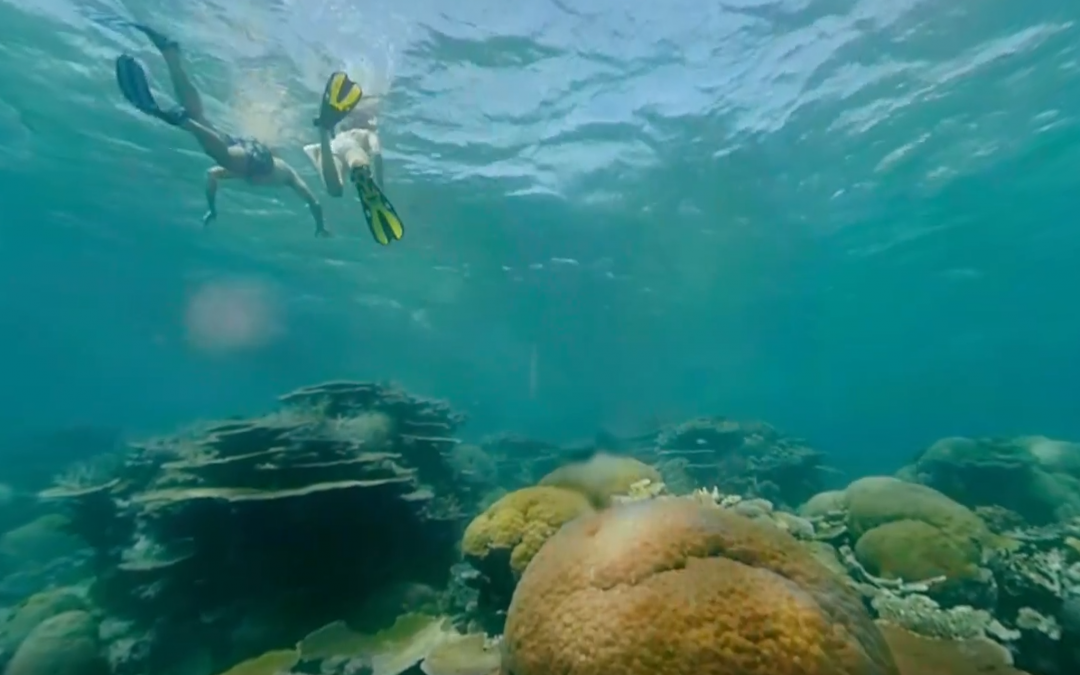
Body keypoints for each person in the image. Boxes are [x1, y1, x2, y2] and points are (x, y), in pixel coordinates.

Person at [113, 24, 329, 236]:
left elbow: (212, 175)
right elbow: (315, 202)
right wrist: (320, 226)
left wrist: (212, 209)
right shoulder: (288, 175)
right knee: (218, 151)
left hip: (240, 144)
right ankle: (179, 120)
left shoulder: (242, 168)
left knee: (197, 116)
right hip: (256, 158)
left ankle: (171, 54)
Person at [303, 72, 406, 246]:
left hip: (332, 146)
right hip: (352, 146)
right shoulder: (367, 133)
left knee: (335, 190)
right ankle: (361, 170)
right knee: (357, 159)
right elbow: (377, 153)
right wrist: (380, 185)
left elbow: (377, 153)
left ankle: (323, 132)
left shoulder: (356, 130)